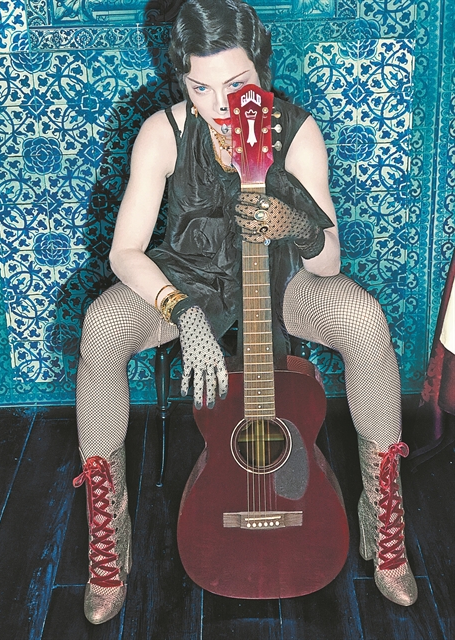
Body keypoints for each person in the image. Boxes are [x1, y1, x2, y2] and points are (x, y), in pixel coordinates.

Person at [72, 0, 418, 625]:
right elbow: (125, 252)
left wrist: (295, 223)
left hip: (281, 281)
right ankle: (110, 535)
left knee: (363, 317)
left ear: (261, 67)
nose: (219, 104)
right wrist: (183, 313)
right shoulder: (163, 132)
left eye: (235, 84)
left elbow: (329, 261)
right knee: (103, 323)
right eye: (199, 87)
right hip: (189, 283)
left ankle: (382, 516)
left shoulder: (296, 130)